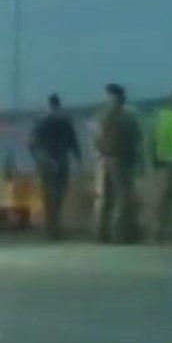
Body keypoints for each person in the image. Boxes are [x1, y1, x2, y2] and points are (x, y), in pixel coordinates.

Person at [91, 84, 140, 243]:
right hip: (119, 160)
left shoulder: (102, 116)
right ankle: (119, 234)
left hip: (105, 159)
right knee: (121, 197)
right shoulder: (128, 117)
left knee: (105, 198)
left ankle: (103, 234)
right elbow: (135, 138)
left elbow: (95, 139)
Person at [29, 94, 81, 239]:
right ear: (59, 105)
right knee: (59, 194)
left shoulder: (41, 120)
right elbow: (73, 141)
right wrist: (79, 159)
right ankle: (55, 226)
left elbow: (32, 144)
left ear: (49, 105)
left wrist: (39, 159)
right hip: (61, 159)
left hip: (45, 162)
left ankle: (51, 228)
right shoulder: (65, 120)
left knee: (48, 195)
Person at [144, 90, 172, 244]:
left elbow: (152, 139)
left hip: (163, 162)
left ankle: (158, 233)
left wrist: (152, 161)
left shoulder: (161, 116)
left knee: (162, 200)